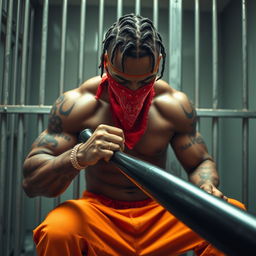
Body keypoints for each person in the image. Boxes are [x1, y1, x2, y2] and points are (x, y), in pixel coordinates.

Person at [23, 13, 245, 256]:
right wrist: (78, 156)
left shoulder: (172, 105)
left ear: (158, 63)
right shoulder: (78, 105)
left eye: (145, 81)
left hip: (160, 210)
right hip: (100, 214)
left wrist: (206, 186)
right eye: (121, 81)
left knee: (232, 222)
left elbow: (200, 161)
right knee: (57, 230)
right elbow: (31, 182)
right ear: (105, 61)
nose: (133, 92)